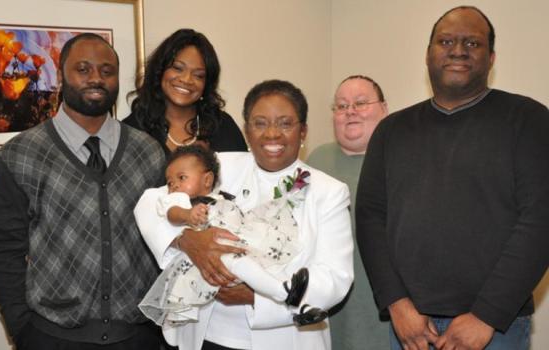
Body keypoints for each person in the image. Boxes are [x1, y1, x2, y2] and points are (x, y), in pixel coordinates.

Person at [357, 6, 549, 350]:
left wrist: (486, 316)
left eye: (472, 43)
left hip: (495, 329)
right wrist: (397, 304)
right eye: (446, 41)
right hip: (411, 326)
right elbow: (370, 218)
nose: (458, 50)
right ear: (428, 54)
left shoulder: (529, 120)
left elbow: (541, 220)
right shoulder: (391, 131)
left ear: (491, 58)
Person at [135, 79, 354, 350]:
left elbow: (334, 279)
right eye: (260, 123)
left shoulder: (328, 191)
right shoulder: (219, 166)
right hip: (207, 337)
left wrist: (256, 297)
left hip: (285, 340)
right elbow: (151, 203)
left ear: (303, 131)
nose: (272, 134)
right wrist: (186, 241)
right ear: (247, 131)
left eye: (285, 123)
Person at [0, 33, 165, 349]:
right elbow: (4, 246)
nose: (96, 78)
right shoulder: (20, 155)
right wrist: (21, 328)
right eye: (83, 69)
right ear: (61, 75)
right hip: (52, 337)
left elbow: (166, 238)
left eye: (107, 71)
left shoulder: (149, 152)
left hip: (140, 336)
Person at [138, 144, 326, 330]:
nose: (174, 185)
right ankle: (282, 291)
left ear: (207, 180)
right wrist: (187, 215)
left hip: (238, 239)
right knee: (240, 263)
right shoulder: (182, 201)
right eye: (170, 182)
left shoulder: (220, 197)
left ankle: (302, 308)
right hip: (218, 255)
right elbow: (171, 213)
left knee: (266, 223)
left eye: (182, 178)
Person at [307, 75, 389, 349]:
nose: (350, 111)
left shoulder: (401, 157)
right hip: (328, 307)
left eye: (361, 103)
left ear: (384, 109)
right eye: (341, 106)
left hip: (384, 308)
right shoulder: (316, 160)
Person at [124, 28, 247, 156]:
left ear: (207, 84)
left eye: (198, 75)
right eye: (178, 68)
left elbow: (244, 174)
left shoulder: (223, 127)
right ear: (159, 71)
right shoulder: (132, 130)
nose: (187, 79)